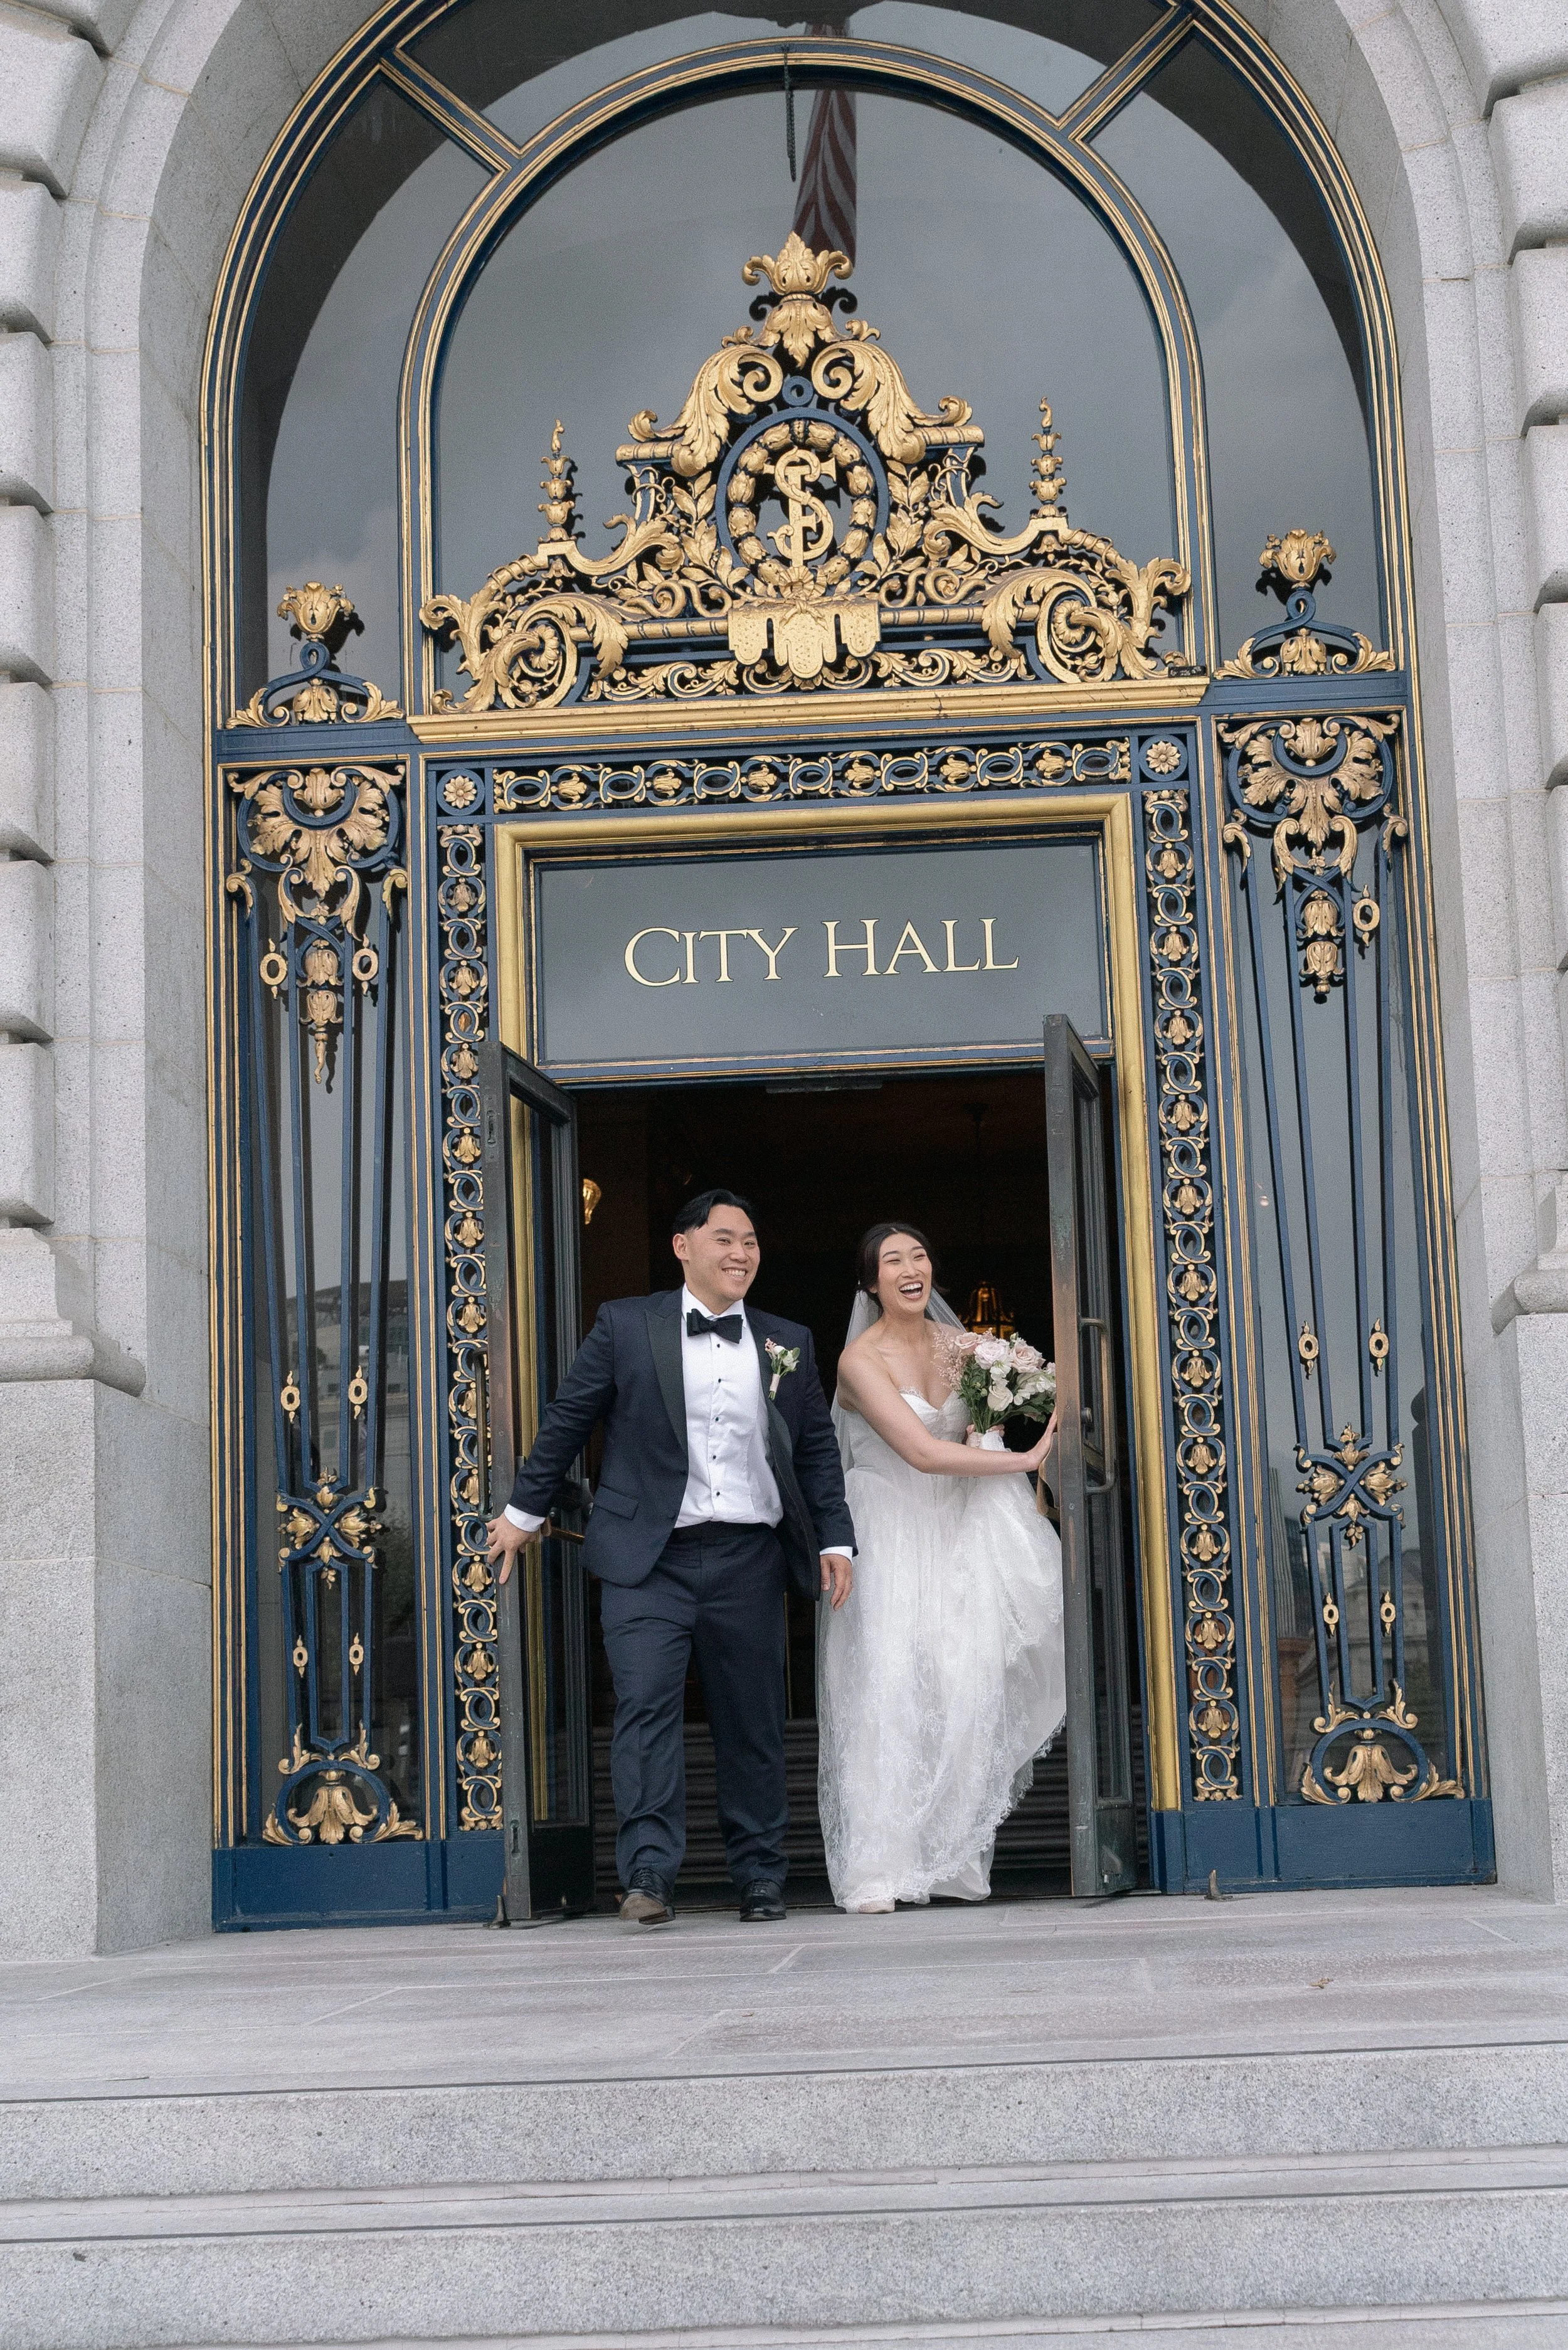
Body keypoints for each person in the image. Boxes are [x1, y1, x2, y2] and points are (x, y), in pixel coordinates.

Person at [487, 1189, 855, 1929]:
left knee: (752, 1723)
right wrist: (522, 1514)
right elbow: (569, 1417)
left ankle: (760, 1876)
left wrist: (835, 1537)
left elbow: (815, 1448)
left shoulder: (787, 1341)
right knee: (645, 1710)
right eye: (724, 1239)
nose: (741, 1253)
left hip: (748, 1558)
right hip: (647, 1561)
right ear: (683, 1246)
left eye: (750, 1241)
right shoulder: (626, 1324)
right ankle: (648, 1874)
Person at [819, 1222, 1066, 1913]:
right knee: (888, 1689)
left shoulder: (966, 1347)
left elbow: (978, 1423)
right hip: (890, 1529)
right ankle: (878, 1868)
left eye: (919, 1256)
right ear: (871, 1282)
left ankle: (949, 1854)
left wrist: (992, 1431)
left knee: (965, 1685)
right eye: (893, 1260)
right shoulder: (858, 1360)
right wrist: (1024, 1459)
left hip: (958, 1527)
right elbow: (921, 1453)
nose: (910, 1268)